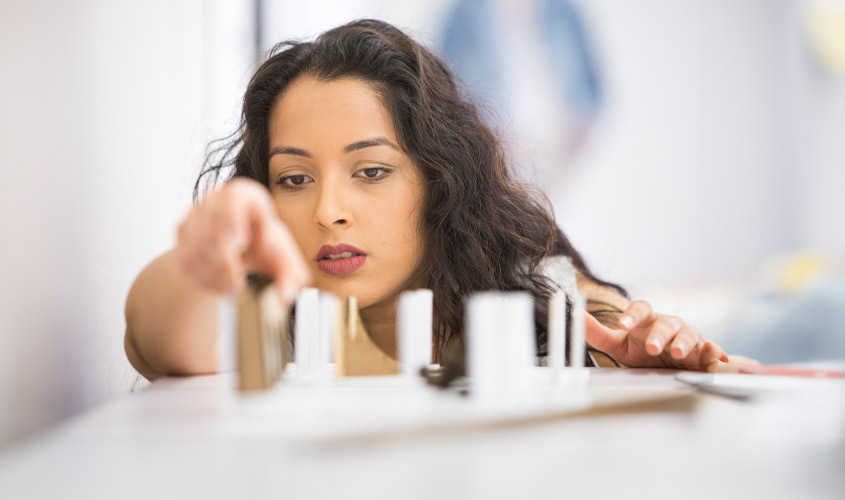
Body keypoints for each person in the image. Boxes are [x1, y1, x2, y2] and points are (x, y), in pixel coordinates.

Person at [123, 19, 743, 380]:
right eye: (293, 179)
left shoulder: (529, 283)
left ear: (438, 182)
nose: (326, 211)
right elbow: (157, 335)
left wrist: (643, 355)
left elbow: (612, 325)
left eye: (369, 171)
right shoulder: (269, 308)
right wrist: (200, 264)